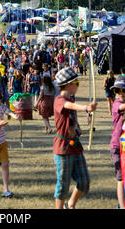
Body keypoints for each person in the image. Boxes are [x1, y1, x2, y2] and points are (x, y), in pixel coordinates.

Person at [53, 66, 97, 209]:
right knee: (63, 185)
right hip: (63, 148)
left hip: (75, 146)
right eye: (76, 83)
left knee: (84, 181)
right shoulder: (59, 100)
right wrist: (86, 108)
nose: (78, 85)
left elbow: (71, 105)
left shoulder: (71, 99)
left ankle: (70, 205)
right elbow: (68, 106)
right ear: (68, 84)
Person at [110, 75, 125, 209]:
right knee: (121, 178)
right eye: (116, 91)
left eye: (124, 90)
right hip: (117, 146)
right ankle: (122, 206)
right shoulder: (116, 104)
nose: (120, 94)